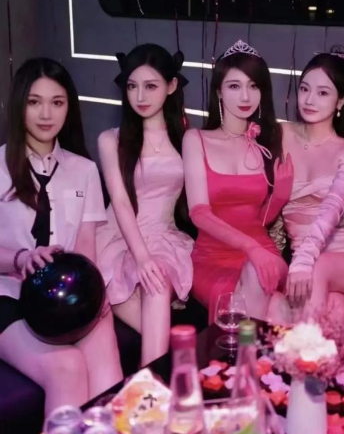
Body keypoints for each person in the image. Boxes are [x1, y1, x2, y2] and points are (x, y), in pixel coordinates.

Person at [0, 58, 122, 415]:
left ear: (69, 108)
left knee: (108, 379)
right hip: (7, 293)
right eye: (34, 102)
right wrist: (21, 258)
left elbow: (85, 248)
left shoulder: (84, 170)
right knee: (67, 366)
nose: (46, 114)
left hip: (69, 293)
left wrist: (95, 297)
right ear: (19, 105)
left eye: (57, 102)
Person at [97, 45, 194, 365]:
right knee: (156, 288)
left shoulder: (187, 138)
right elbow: (120, 202)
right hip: (117, 239)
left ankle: (149, 384)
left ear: (171, 85)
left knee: (158, 284)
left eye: (150, 86)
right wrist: (141, 257)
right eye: (132, 86)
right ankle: (155, 383)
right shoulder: (111, 140)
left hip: (164, 236)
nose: (139, 96)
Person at [183, 40, 292, 322]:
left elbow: (258, 220)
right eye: (234, 86)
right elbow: (199, 213)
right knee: (276, 306)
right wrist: (250, 248)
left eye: (253, 86)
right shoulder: (195, 139)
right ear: (219, 91)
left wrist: (278, 199)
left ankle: (239, 352)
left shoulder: (264, 143)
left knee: (262, 284)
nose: (245, 96)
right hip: (212, 258)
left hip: (263, 253)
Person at [278, 51, 344, 320]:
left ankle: (302, 348)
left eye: (323, 93)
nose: (310, 99)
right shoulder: (281, 134)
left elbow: (334, 204)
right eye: (305, 89)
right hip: (309, 262)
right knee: (336, 310)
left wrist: (304, 259)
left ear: (341, 100)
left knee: (319, 268)